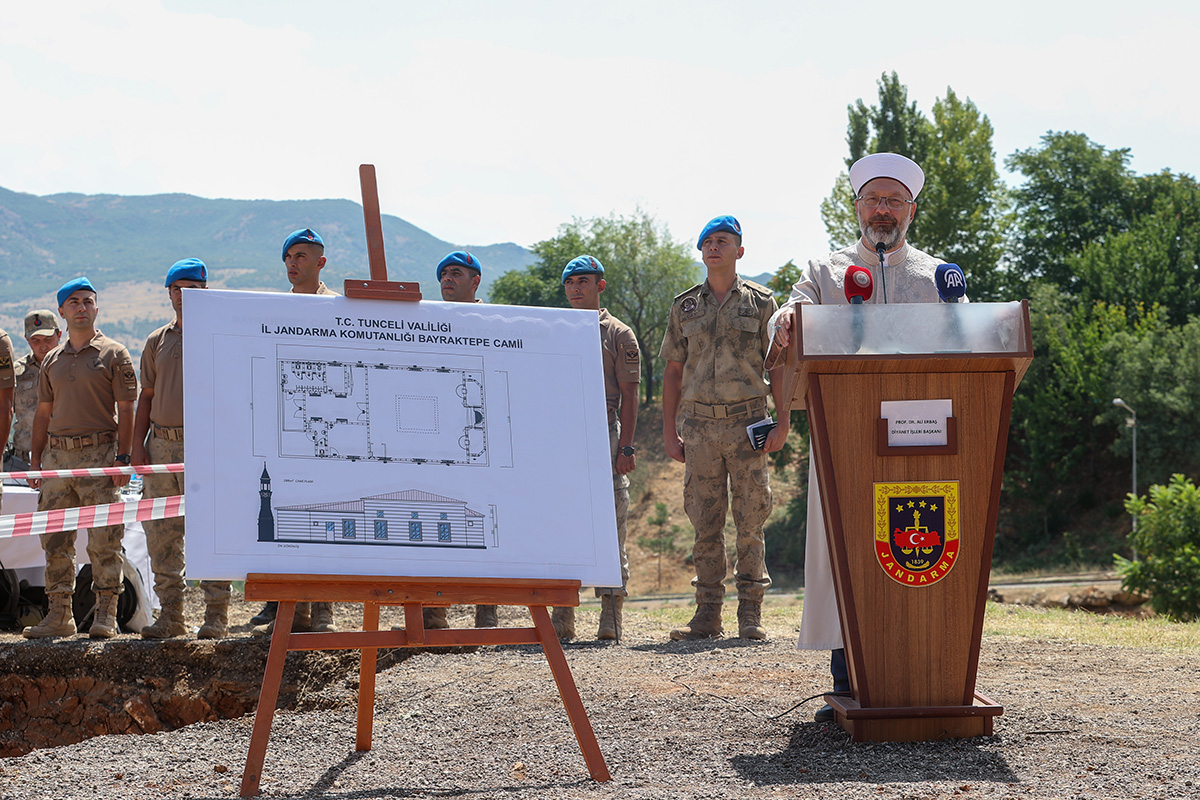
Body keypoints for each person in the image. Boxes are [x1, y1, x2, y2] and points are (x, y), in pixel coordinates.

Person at [769, 152, 956, 721]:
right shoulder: (825, 271)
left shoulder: (938, 277)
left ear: (911, 212)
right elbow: (791, 312)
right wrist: (786, 319)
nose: (882, 210)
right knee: (846, 550)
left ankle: (930, 675)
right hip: (846, 439)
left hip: (925, 444)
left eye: (893, 201)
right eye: (873, 200)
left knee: (922, 552)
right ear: (856, 208)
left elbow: (972, 345)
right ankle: (849, 682)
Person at [659, 216, 788, 641]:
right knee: (705, 524)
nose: (713, 247)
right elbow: (673, 372)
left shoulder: (762, 303)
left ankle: (750, 613)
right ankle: (706, 615)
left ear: (740, 250)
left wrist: (783, 420)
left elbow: (780, 365)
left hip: (748, 423)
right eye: (707, 242)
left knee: (750, 522)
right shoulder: (685, 307)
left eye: (723, 241)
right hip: (698, 428)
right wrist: (669, 431)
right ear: (701, 252)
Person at [22, 277, 137, 639]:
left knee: (104, 539)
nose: (82, 307)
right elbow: (43, 413)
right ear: (62, 311)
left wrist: (123, 459)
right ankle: (59, 614)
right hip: (58, 460)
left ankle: (106, 614)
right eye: (74, 302)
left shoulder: (114, 353)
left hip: (100, 456)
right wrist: (36, 461)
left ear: (96, 308)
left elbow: (127, 408)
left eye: (88, 301)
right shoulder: (53, 359)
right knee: (55, 539)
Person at [134, 259, 233, 640]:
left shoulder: (220, 333)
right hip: (161, 445)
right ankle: (171, 615)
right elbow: (147, 395)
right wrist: (137, 448)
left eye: (192, 286)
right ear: (169, 293)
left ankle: (216, 616)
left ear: (204, 290)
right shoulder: (156, 340)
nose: (184, 294)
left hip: (204, 444)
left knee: (210, 528)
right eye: (177, 288)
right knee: (161, 533)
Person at [253, 228, 339, 634]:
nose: (293, 262)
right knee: (283, 516)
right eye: (288, 256)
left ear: (321, 262)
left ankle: (322, 610)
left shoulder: (340, 310)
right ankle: (289, 610)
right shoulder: (273, 311)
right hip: (283, 429)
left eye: (302, 256)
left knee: (322, 516)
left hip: (325, 430)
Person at [551, 255, 640, 641]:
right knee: (562, 522)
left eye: (583, 281)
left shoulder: (618, 334)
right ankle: (562, 615)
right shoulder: (553, 330)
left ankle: (611, 613)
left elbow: (631, 396)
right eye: (570, 282)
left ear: (599, 286)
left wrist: (626, 447)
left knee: (609, 521)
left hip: (603, 429)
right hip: (562, 434)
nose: (575, 288)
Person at [429, 251, 496, 630]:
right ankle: (436, 611)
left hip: (481, 440)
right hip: (439, 442)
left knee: (482, 524)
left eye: (456, 273)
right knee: (441, 524)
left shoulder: (495, 322)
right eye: (443, 274)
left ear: (475, 281)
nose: (447, 279)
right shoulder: (428, 322)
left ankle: (486, 611)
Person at [9, 310, 62, 468]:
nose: (43, 346)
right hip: (23, 458)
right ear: (26, 339)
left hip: (64, 457)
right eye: (35, 340)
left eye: (48, 339)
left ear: (59, 335)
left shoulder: (71, 367)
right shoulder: (16, 372)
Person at [283, 227, 338, 296]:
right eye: (288, 256)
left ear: (320, 263)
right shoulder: (278, 305)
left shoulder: (338, 305)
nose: (292, 263)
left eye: (300, 256)